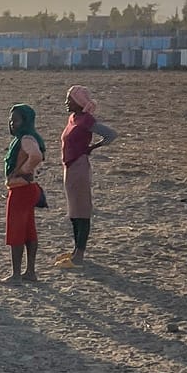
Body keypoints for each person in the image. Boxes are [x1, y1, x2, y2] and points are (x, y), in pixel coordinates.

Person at [57, 85, 118, 268]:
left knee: (82, 210)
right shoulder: (73, 118)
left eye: (70, 99)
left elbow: (111, 135)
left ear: (78, 102)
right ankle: (76, 250)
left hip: (79, 166)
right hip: (70, 166)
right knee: (74, 210)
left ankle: (80, 255)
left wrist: (92, 148)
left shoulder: (86, 120)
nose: (67, 103)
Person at [0, 104, 45, 284]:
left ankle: (16, 274)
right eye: (11, 120)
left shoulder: (26, 139)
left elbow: (36, 156)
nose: (12, 124)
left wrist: (22, 170)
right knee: (28, 231)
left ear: (25, 121)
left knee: (16, 232)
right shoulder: (26, 137)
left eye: (16, 120)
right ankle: (30, 272)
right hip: (27, 188)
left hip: (20, 189)